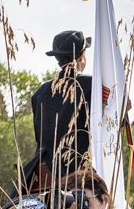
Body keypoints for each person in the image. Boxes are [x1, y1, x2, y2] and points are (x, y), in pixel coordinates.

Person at [27, 30, 92, 189]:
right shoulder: (92, 85)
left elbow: (39, 137)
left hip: (45, 173)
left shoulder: (40, 92)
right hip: (80, 175)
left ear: (57, 59)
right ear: (82, 55)